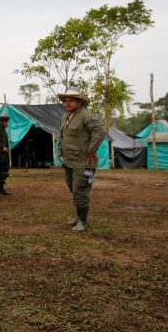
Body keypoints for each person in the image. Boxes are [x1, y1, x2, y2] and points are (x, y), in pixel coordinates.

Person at [58, 90, 105, 232]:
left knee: (81, 190)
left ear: (79, 102)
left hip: (84, 163)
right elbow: (62, 136)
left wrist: (91, 150)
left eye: (70, 101)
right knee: (73, 188)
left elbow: (100, 132)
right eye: (65, 101)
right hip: (69, 161)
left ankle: (83, 221)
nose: (67, 103)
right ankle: (78, 217)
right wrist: (60, 152)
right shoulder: (65, 117)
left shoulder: (86, 116)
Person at [0, 115, 11, 196]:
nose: (6, 123)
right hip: (0, 155)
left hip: (5, 156)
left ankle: (2, 189)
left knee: (4, 172)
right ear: (1, 122)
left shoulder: (3, 130)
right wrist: (2, 148)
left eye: (7, 121)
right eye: (5, 122)